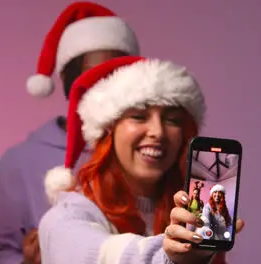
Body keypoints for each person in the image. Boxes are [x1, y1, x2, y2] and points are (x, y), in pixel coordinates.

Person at [38, 56, 245, 264]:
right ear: (108, 131)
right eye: (138, 116)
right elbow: (99, 255)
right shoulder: (65, 218)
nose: (157, 132)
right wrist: (170, 257)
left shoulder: (190, 215)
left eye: (172, 120)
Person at [0, 2, 140, 264]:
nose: (107, 88)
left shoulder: (150, 151)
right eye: (93, 76)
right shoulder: (19, 162)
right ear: (67, 79)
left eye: (116, 75)